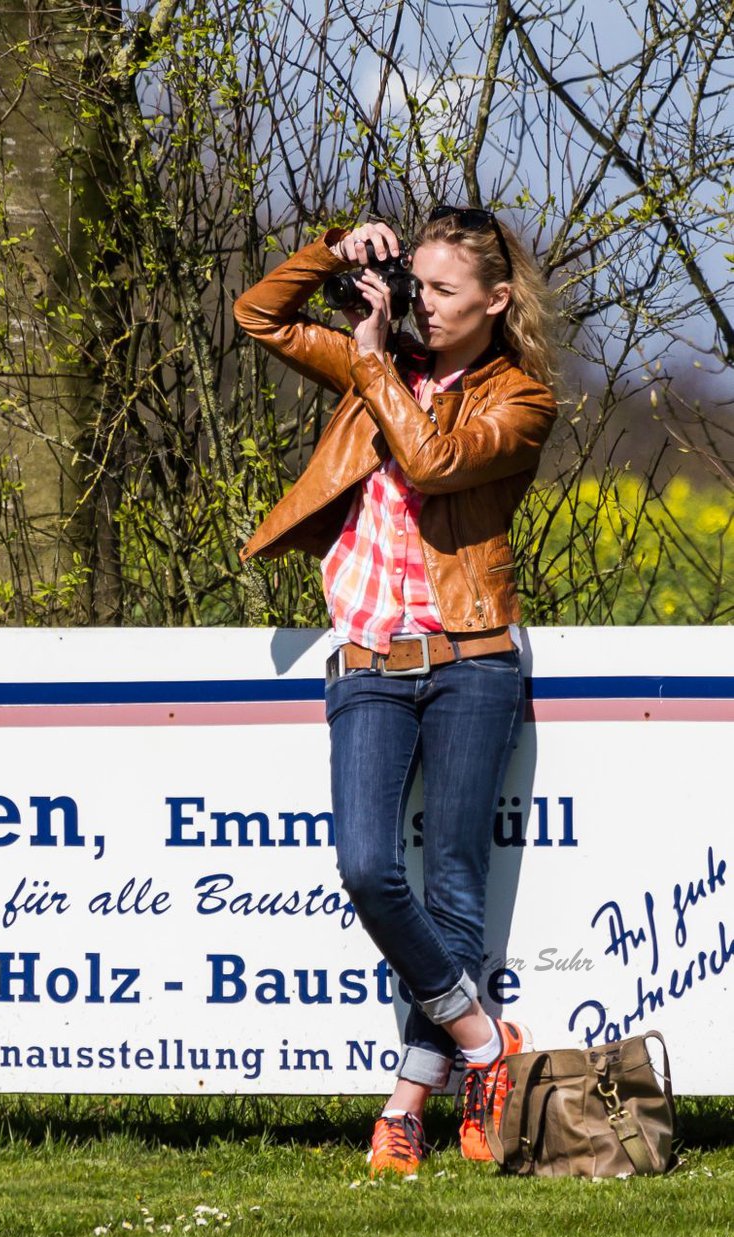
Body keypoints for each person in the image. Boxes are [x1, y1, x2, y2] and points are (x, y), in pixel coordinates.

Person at [234, 208, 558, 1174]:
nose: (422, 302)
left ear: (497, 302)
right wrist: (335, 250)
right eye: (414, 281)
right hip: (370, 664)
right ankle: (485, 1045)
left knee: (456, 887)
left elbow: (431, 460)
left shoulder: (523, 401)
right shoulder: (388, 364)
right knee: (370, 866)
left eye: (444, 290)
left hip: (470, 656)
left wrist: (374, 360)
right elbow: (259, 316)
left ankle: (407, 1109)